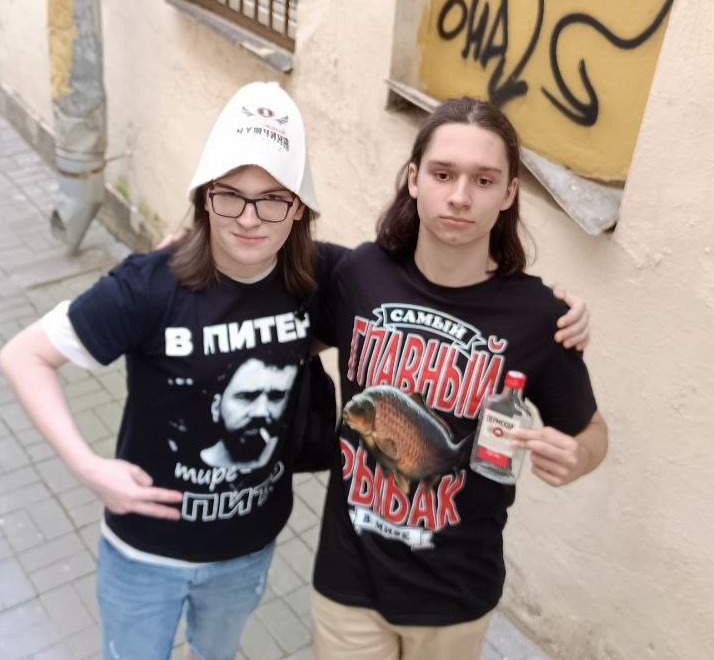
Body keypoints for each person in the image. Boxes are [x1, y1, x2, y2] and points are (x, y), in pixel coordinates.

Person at [0, 81, 324, 660]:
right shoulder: (150, 286)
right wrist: (86, 467)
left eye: (273, 198)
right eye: (230, 196)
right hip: (144, 554)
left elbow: (404, 280)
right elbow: (24, 355)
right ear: (205, 196)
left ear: (298, 207)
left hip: (248, 548)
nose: (249, 218)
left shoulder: (315, 281)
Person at [310, 97, 609, 660]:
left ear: (509, 193)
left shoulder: (540, 317)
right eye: (443, 174)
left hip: (454, 596)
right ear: (414, 179)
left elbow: (592, 432)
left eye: (484, 180)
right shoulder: (361, 275)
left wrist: (579, 457)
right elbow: (279, 321)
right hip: (349, 580)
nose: (460, 196)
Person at [200, 357, 298, 469]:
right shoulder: (189, 466)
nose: (261, 412)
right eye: (246, 397)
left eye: (276, 396)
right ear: (216, 407)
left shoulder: (287, 452)